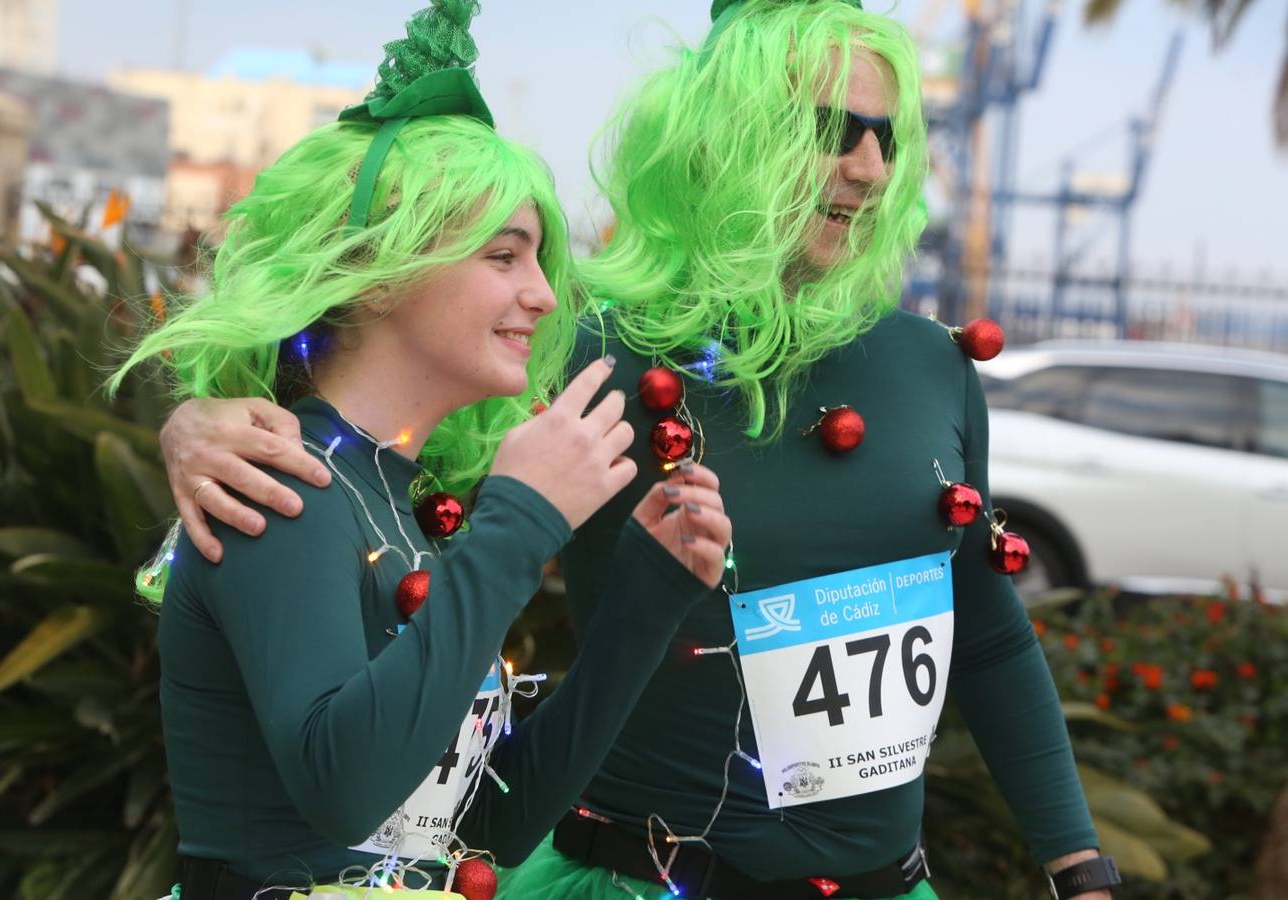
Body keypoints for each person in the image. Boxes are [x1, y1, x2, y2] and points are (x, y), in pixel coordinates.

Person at [156, 1, 1122, 898]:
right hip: (629, 875)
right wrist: (200, 424)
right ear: (729, 138)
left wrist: (1076, 862)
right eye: (833, 131)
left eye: (887, 136)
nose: (868, 167)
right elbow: (376, 431)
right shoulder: (589, 359)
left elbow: (986, 629)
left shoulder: (928, 365)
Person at [111, 2, 732, 897]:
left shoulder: (384, 497)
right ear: (379, 271)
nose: (543, 297)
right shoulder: (276, 484)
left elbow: (493, 826)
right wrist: (520, 523)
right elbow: (343, 790)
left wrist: (647, 596)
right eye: (505, 256)